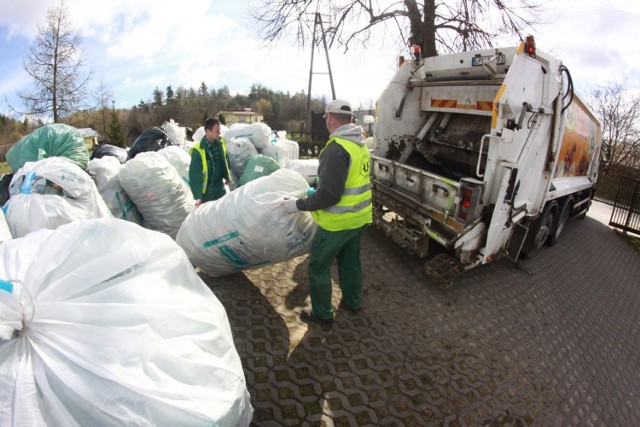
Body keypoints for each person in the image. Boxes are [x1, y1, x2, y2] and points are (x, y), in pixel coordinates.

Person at [283, 99, 372, 324]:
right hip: (359, 219)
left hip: (337, 223)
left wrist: (297, 205)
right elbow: (349, 182)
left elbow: (329, 196)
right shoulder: (360, 145)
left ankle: (322, 313)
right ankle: (353, 301)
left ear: (330, 118)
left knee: (319, 266)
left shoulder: (336, 149)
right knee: (350, 262)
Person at [188, 117, 231, 206]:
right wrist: (198, 197)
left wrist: (227, 176)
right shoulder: (198, 150)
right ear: (208, 132)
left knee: (222, 210)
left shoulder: (220, 142)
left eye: (219, 130)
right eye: (216, 131)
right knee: (208, 216)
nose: (219, 133)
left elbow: (225, 159)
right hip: (207, 191)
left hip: (220, 187)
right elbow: (195, 175)